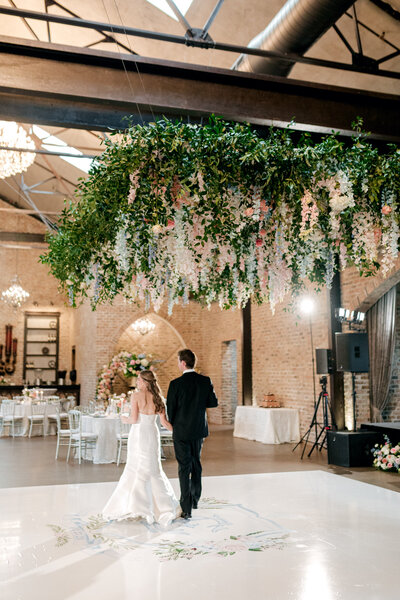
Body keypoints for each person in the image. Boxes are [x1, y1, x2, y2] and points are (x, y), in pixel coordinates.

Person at [102, 370, 180, 526]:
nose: (137, 382)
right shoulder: (158, 398)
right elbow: (164, 423)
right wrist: (179, 433)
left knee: (135, 467)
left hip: (138, 434)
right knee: (153, 468)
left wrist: (123, 418)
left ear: (145, 382)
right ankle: (162, 506)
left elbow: (133, 419)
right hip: (152, 433)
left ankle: (138, 506)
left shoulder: (136, 396)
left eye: (138, 380)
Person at [167, 349, 218, 519]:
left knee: (184, 467)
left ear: (182, 363)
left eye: (177, 361)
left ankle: (186, 507)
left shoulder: (175, 384)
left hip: (181, 430)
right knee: (196, 463)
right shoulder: (205, 381)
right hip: (198, 430)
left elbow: (170, 411)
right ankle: (195, 500)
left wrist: (176, 424)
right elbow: (213, 403)